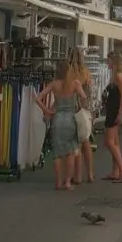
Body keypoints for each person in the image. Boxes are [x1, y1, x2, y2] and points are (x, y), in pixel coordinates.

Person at [34, 61, 87, 191]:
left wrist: (46, 110)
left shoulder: (54, 85)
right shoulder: (75, 83)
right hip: (70, 119)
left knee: (57, 153)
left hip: (57, 119)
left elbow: (37, 98)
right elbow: (83, 97)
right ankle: (67, 182)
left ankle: (58, 182)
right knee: (70, 152)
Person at [66, 48, 96, 185]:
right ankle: (89, 174)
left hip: (72, 108)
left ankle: (77, 176)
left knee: (75, 142)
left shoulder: (68, 72)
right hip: (85, 109)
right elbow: (90, 91)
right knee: (86, 141)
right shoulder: (86, 72)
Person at [101, 53, 122, 183]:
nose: (107, 63)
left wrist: (119, 114)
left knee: (109, 142)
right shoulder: (114, 77)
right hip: (112, 110)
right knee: (115, 142)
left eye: (109, 60)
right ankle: (116, 171)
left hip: (115, 111)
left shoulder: (119, 77)